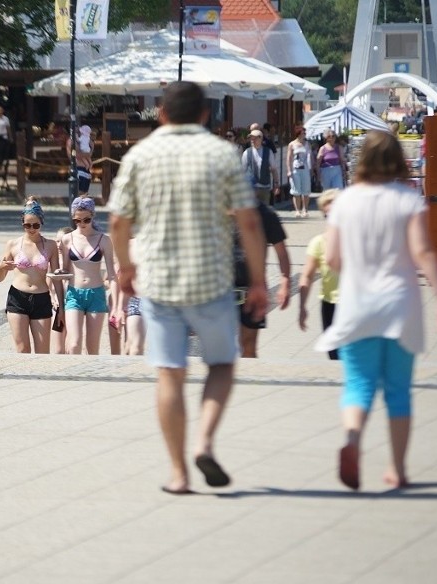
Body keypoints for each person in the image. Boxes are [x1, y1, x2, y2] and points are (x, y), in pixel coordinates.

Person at [109, 82, 267, 494]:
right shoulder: (222, 154)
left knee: (169, 375)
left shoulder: (139, 156)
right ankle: (205, 442)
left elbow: (117, 222)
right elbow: (249, 221)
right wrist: (259, 280)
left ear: (161, 114)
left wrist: (125, 267)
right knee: (221, 364)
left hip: (158, 284)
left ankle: (178, 474)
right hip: (211, 281)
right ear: (204, 115)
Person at [315, 131, 437, 491]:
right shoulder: (408, 200)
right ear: (396, 161)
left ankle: (353, 439)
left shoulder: (344, 203)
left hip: (356, 304)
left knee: (358, 383)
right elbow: (423, 252)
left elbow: (332, 258)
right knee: (397, 390)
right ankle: (396, 469)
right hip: (399, 304)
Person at [0, 197, 65, 354]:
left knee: (42, 351)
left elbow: (56, 279)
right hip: (17, 297)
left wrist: (61, 307)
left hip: (41, 298)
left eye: (35, 225)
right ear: (22, 223)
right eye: (27, 225)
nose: (31, 228)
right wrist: (2, 267)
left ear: (42, 223)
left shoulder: (50, 245)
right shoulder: (13, 244)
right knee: (22, 349)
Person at [59, 196, 116, 355]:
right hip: (74, 293)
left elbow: (112, 274)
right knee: (74, 343)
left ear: (93, 216)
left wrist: (117, 304)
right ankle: (72, 377)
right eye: (77, 220)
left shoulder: (104, 240)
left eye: (86, 220)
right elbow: (65, 269)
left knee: (92, 347)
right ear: (73, 218)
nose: (82, 224)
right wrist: (58, 274)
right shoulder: (67, 239)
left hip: (96, 293)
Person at [233, 201, 291, 358]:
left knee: (248, 347)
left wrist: (285, 283)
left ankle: (245, 380)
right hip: (218, 291)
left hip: (251, 291)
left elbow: (282, 253)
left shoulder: (265, 214)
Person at [298, 189, 340, 360]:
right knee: (335, 356)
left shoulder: (359, 239)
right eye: (328, 215)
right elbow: (306, 276)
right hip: (330, 305)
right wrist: (302, 307)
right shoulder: (318, 243)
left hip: (356, 306)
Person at [50, 226, 73, 354]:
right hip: (57, 307)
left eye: (62, 241)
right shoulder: (54, 260)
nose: (59, 245)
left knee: (71, 346)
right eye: (57, 241)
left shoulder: (74, 260)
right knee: (59, 349)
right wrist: (53, 299)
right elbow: (49, 284)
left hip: (72, 304)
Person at [242, 129, 279, 205]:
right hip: (251, 188)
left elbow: (274, 169)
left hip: (264, 187)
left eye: (254, 138)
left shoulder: (268, 152)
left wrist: (276, 184)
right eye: (251, 138)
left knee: (264, 211)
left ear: (260, 138)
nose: (252, 140)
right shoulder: (246, 152)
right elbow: (243, 171)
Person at [286, 125, 312, 218]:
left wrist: (311, 169)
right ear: (298, 134)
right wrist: (289, 170)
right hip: (295, 169)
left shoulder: (307, 144)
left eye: (305, 133)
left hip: (305, 169)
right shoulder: (292, 144)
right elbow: (289, 158)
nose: (304, 134)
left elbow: (310, 157)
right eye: (302, 133)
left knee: (306, 190)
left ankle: (305, 209)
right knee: (296, 191)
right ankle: (297, 210)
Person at [66, 125, 94, 196]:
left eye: (78, 127)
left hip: (86, 169)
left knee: (85, 192)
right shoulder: (71, 141)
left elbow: (90, 153)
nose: (77, 130)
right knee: (78, 192)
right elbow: (76, 155)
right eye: (75, 128)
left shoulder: (86, 140)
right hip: (77, 169)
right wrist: (85, 153)